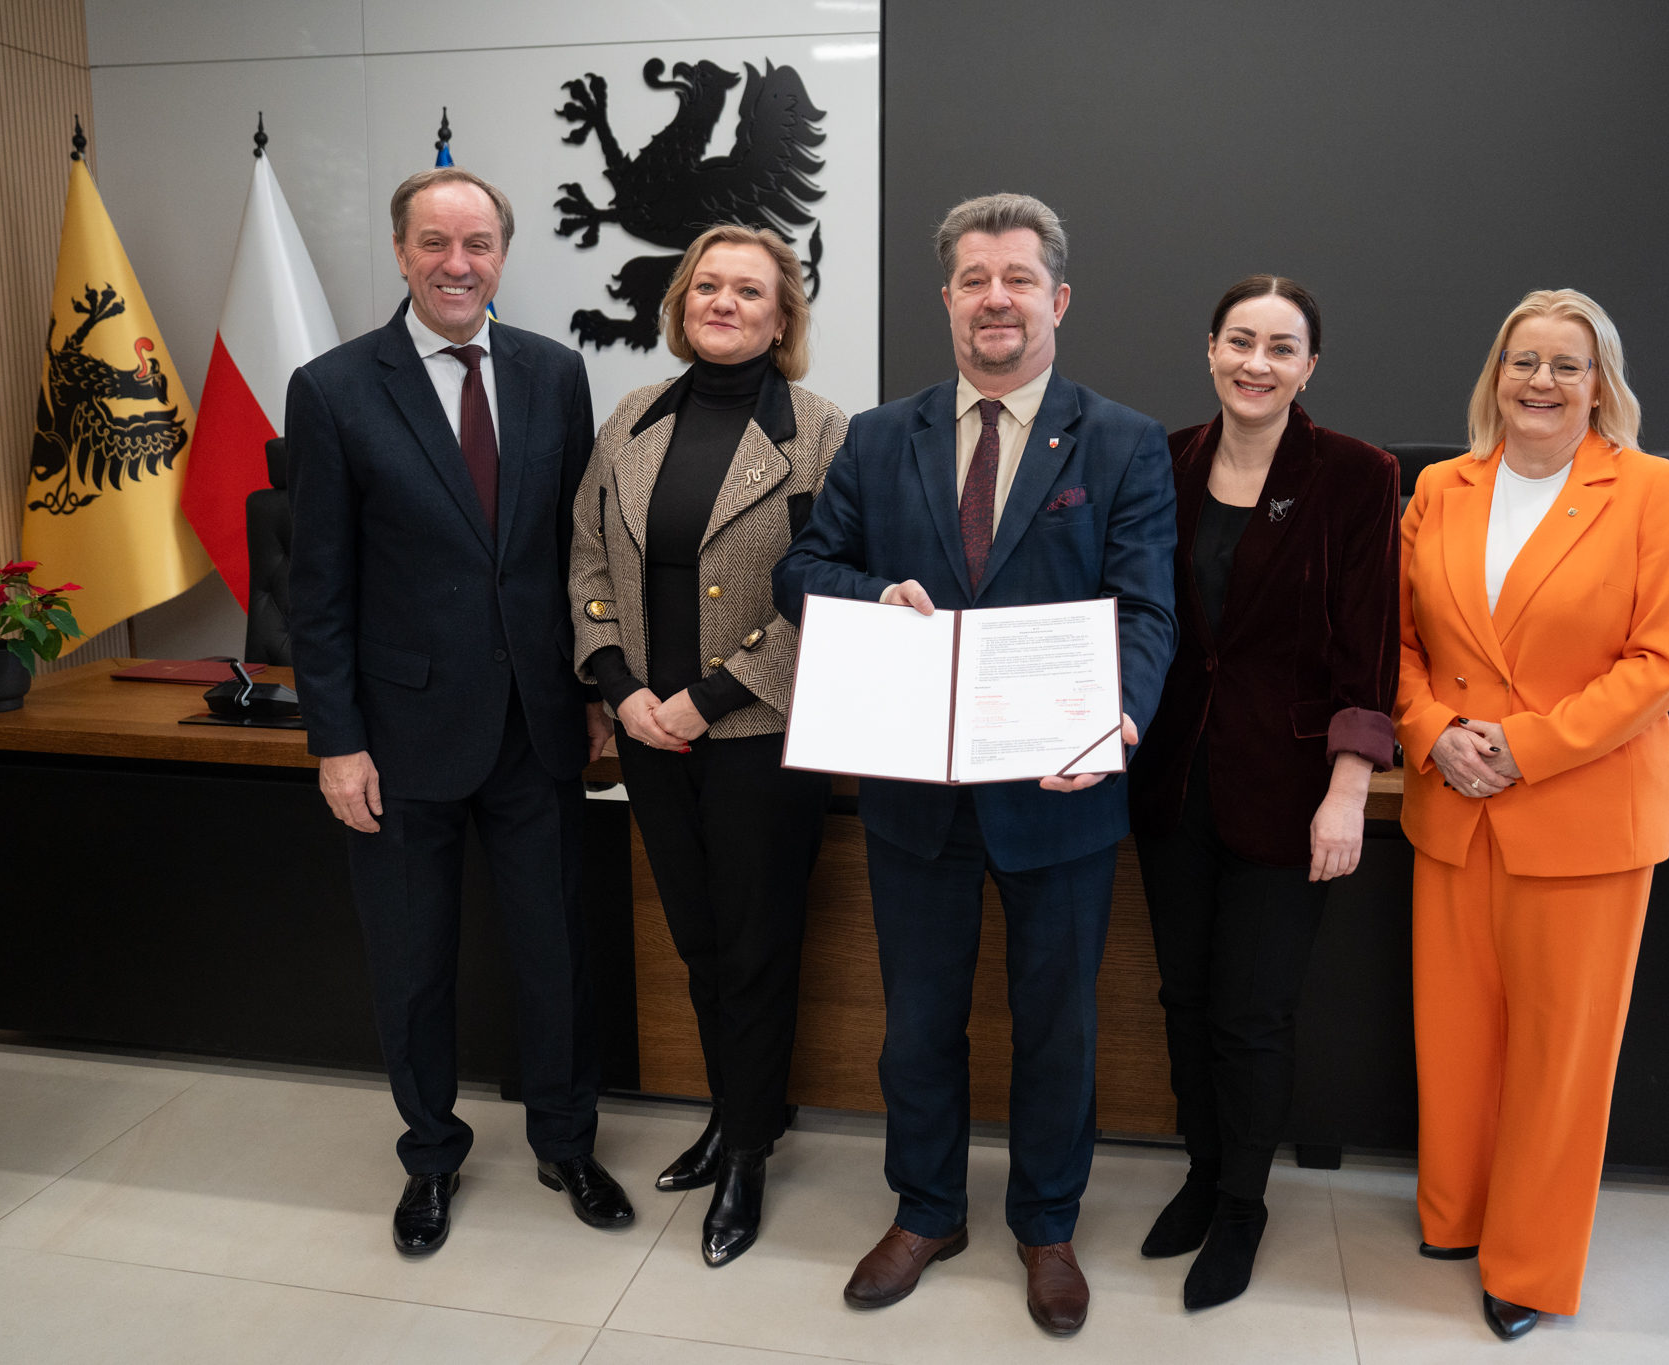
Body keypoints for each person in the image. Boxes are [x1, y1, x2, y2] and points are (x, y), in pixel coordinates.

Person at [773, 193, 1177, 1337]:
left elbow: (1145, 609)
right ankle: (926, 1212)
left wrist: (1117, 721)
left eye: (1016, 279)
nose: (994, 299)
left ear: (1057, 298)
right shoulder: (876, 437)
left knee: (1056, 1027)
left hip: (1059, 793)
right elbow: (802, 571)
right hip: (914, 793)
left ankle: (1045, 1227)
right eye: (972, 280)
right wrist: (872, 595)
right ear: (945, 298)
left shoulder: (1121, 441)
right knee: (916, 1024)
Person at [287, 166, 633, 1256]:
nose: (456, 263)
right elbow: (317, 588)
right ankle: (430, 1156)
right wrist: (337, 741)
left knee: (555, 954)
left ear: (502, 255)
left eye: (477, 243)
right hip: (400, 737)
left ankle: (566, 1142)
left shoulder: (553, 372)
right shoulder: (334, 388)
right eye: (434, 243)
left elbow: (578, 552)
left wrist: (593, 693)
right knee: (413, 962)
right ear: (400, 253)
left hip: (538, 725)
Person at [1396, 288, 1669, 1339]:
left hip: (1579, 812)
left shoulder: (1652, 490)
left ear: (1599, 385)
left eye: (1566, 365)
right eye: (1522, 361)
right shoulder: (1441, 487)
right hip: (1453, 803)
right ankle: (1455, 1214)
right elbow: (1393, 639)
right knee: (1455, 1034)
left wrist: (1523, 747)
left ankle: (1526, 1264)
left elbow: (1662, 661)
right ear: (1495, 376)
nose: (1540, 381)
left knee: (1559, 1054)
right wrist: (1432, 729)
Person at [568, 223, 845, 1268]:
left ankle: (748, 1153)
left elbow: (828, 594)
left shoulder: (823, 433)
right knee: (698, 942)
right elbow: (588, 562)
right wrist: (619, 686)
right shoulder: (632, 417)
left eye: (748, 291)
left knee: (756, 948)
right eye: (707, 286)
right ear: (682, 303)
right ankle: (732, 1114)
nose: (722, 303)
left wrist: (710, 696)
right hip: (648, 732)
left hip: (760, 734)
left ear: (781, 319)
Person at [1126, 274, 1398, 1310]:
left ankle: (1243, 1204)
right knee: (1184, 997)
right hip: (1170, 779)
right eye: (1240, 341)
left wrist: (1348, 786)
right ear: (1209, 349)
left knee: (1251, 1011)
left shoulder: (1357, 475)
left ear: (1308, 367)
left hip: (1290, 789)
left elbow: (1369, 644)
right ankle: (1202, 1173)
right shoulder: (1160, 461)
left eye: (1281, 347)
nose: (1256, 363)